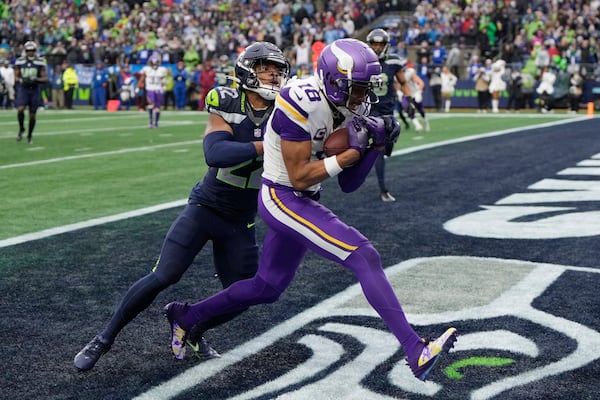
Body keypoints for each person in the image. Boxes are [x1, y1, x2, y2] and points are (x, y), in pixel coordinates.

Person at [164, 38, 457, 382]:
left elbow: (349, 184)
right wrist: (348, 154)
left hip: (305, 198)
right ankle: (415, 349)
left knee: (266, 287)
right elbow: (299, 176)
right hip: (282, 197)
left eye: (365, 88)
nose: (363, 96)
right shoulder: (300, 99)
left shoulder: (354, 106)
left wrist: (376, 146)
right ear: (334, 80)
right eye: (357, 87)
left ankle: (184, 315)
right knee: (364, 255)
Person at [73, 41, 291, 372]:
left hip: (241, 219)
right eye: (266, 68)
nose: (274, 76)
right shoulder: (228, 101)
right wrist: (267, 145)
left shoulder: (287, 112)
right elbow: (215, 154)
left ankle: (192, 327)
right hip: (206, 208)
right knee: (164, 274)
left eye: (278, 70)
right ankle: (104, 338)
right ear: (247, 70)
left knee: (248, 292)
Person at [365, 28, 404, 202]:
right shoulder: (362, 62)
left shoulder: (394, 61)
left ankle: (383, 146)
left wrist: (409, 99)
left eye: (381, 44)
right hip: (371, 111)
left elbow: (403, 82)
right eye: (375, 44)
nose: (378, 47)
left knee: (389, 144)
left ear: (386, 45)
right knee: (379, 148)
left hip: (389, 110)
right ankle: (383, 190)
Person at [14, 41, 48, 144]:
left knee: (32, 114)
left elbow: (45, 78)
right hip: (24, 88)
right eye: (28, 51)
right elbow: (16, 75)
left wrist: (36, 79)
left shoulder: (39, 61)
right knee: (20, 109)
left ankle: (29, 135)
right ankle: (21, 128)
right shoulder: (20, 61)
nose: (30, 53)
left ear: (35, 51)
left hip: (34, 89)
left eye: (32, 51)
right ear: (25, 51)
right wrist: (20, 80)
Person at [140, 55, 168, 127]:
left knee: (158, 107)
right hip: (150, 89)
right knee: (150, 105)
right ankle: (150, 121)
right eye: (153, 63)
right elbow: (142, 77)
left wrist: (164, 86)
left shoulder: (162, 69)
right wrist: (138, 87)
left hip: (158, 89)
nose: (154, 65)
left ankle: (156, 122)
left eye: (155, 63)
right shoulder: (146, 69)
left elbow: (163, 79)